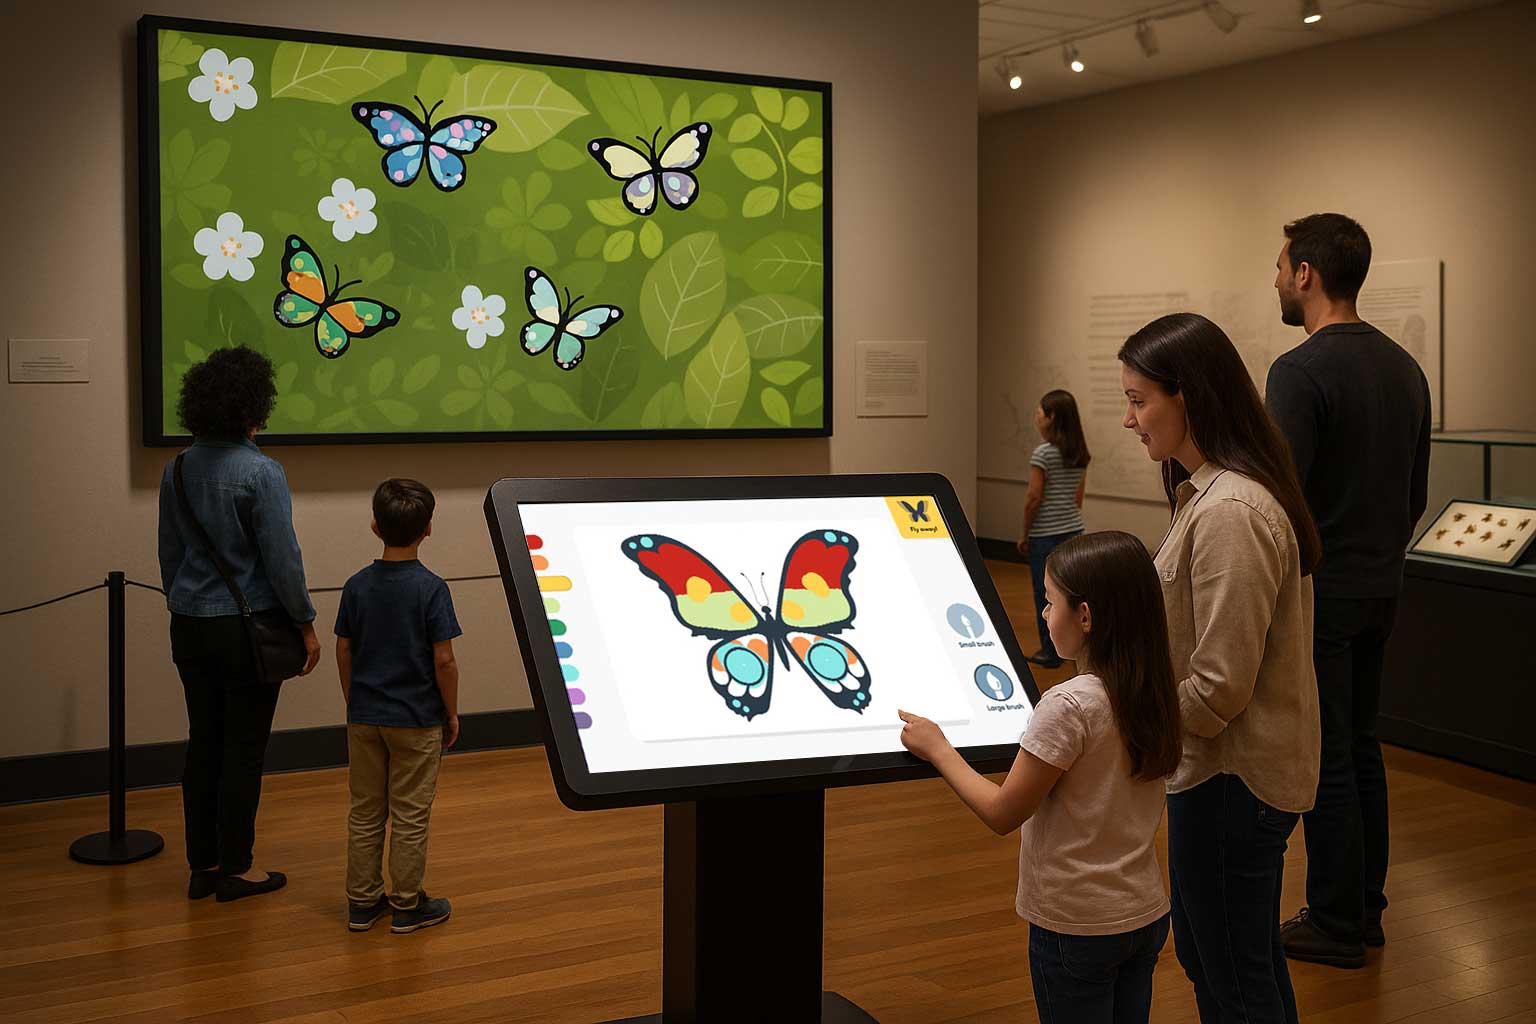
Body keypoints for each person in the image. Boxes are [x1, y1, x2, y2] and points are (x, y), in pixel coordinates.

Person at [1120, 313, 1322, 1024]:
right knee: (1229, 961)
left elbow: (1220, 685)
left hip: (1231, 778)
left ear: (1189, 396)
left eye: (1140, 400)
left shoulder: (1233, 510)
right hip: (1217, 774)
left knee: (1232, 975)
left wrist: (1131, 727)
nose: (1128, 419)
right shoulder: (1205, 495)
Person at [900, 531, 1181, 1024]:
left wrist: (939, 749)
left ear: (1086, 616)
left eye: (1050, 603)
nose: (1045, 615)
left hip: (1077, 924)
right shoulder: (1153, 692)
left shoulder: (1069, 705)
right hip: (1144, 914)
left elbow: (1002, 811)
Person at [1267, 213, 1431, 968]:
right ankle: (1364, 908)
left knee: (1326, 751)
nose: (1274, 279)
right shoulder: (1405, 368)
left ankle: (1334, 920)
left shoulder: (1298, 372)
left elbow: (1278, 499)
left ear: (1306, 275)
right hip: (1383, 585)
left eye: (1280, 267)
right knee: (1363, 746)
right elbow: (1416, 493)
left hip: (1324, 591)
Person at [157, 346, 321, 903]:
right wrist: (305, 623)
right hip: (246, 630)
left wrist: (185, 602)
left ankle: (201, 866)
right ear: (254, 404)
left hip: (189, 624)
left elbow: (169, 553)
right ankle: (238, 867)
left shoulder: (176, 468)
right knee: (243, 748)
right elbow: (282, 560)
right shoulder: (260, 472)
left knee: (202, 742)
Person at [336, 478, 461, 934]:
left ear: (374, 525)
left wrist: (356, 699)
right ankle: (407, 904)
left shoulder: (355, 586)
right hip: (416, 718)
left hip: (365, 714)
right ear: (428, 528)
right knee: (409, 812)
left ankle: (362, 902)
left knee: (366, 810)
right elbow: (443, 659)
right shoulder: (431, 589)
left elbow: (344, 650)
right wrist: (450, 712)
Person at [1016, 389, 1091, 668]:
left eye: (1039, 413)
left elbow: (1034, 498)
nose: (1036, 418)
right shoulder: (1080, 453)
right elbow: (1077, 498)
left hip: (1046, 534)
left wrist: (1025, 533)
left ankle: (1049, 652)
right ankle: (1074, 648)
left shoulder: (1043, 454)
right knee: (1072, 595)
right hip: (1073, 530)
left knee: (1045, 594)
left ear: (1052, 417)